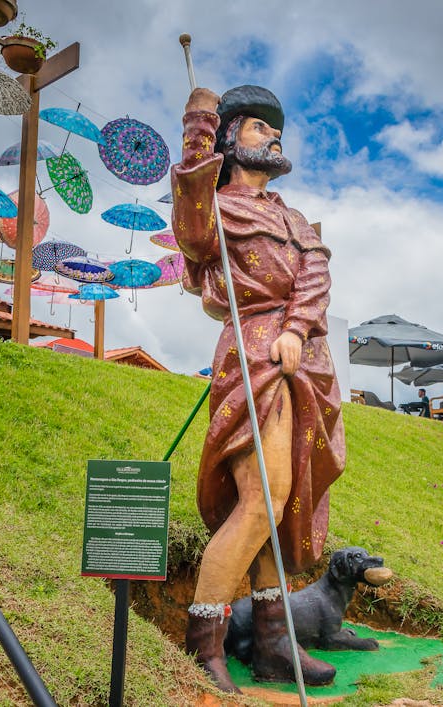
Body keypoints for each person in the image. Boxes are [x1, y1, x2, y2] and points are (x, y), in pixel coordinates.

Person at [171, 85, 345, 692]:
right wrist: (197, 126)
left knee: (285, 504)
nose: (273, 137)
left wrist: (298, 326)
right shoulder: (215, 207)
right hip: (254, 355)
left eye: (277, 131)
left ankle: (273, 644)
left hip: (305, 363)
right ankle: (204, 643)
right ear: (229, 139)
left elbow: (317, 273)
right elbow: (193, 230)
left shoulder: (294, 217)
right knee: (263, 500)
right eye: (257, 129)